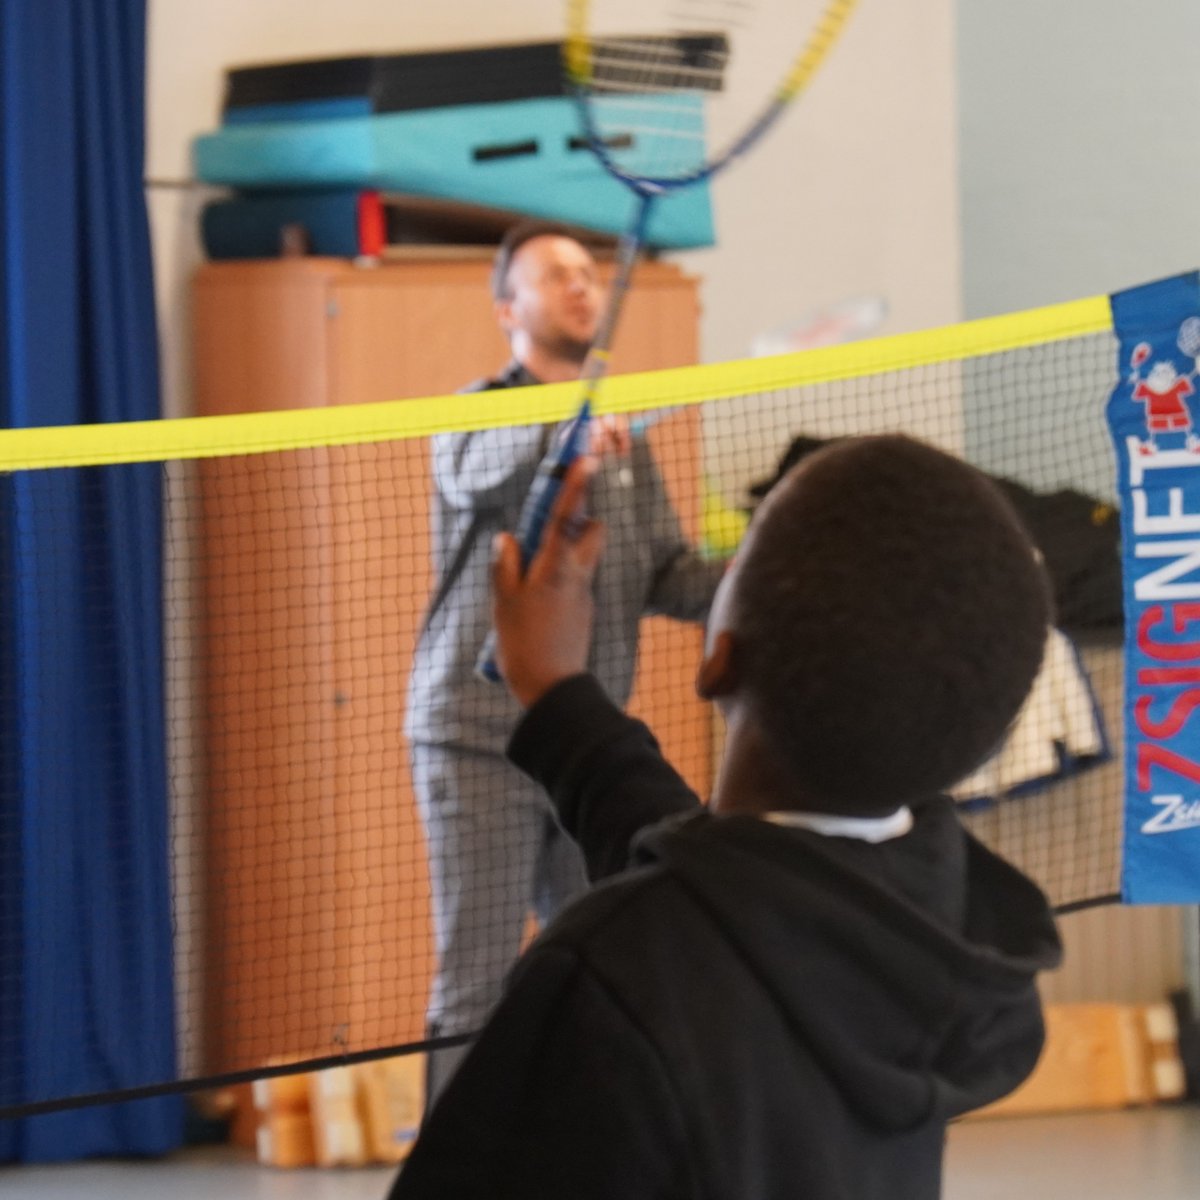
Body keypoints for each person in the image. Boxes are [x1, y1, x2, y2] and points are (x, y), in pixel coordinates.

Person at [390, 435, 1063, 1199]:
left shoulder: (607, 973)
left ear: (717, 658)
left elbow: (689, 913)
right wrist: (557, 692)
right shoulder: (938, 926)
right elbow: (712, 880)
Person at [404, 221, 724, 1096]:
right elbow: (476, 477)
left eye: (590, 273)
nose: (582, 287)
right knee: (476, 981)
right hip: (476, 736)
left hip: (576, 738)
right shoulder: (477, 415)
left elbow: (667, 572)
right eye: (557, 276)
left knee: (607, 964)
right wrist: (570, 432)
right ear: (509, 308)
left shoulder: (625, 436)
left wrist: (771, 564)